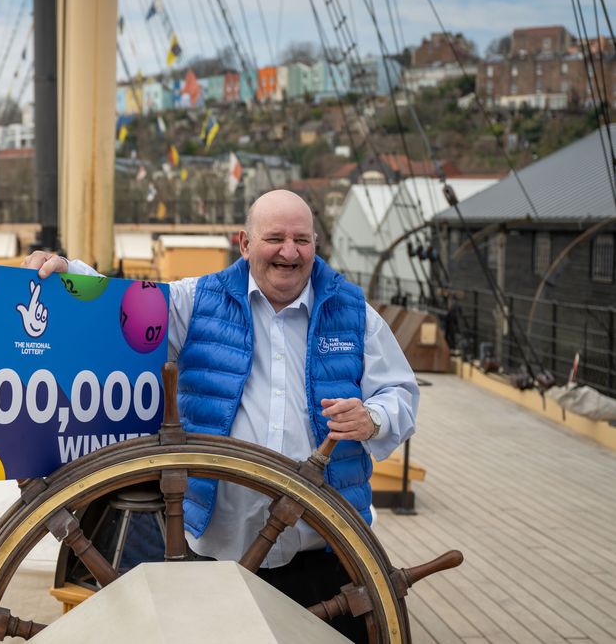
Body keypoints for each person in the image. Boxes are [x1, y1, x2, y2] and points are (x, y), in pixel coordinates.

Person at [23, 190, 418, 642]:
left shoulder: (353, 313)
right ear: (245, 243)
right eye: (275, 237)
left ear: (315, 245)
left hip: (325, 551)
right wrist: (68, 272)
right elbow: (124, 309)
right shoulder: (195, 300)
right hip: (216, 552)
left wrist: (373, 417)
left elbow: (400, 393)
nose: (290, 252)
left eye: (302, 240)